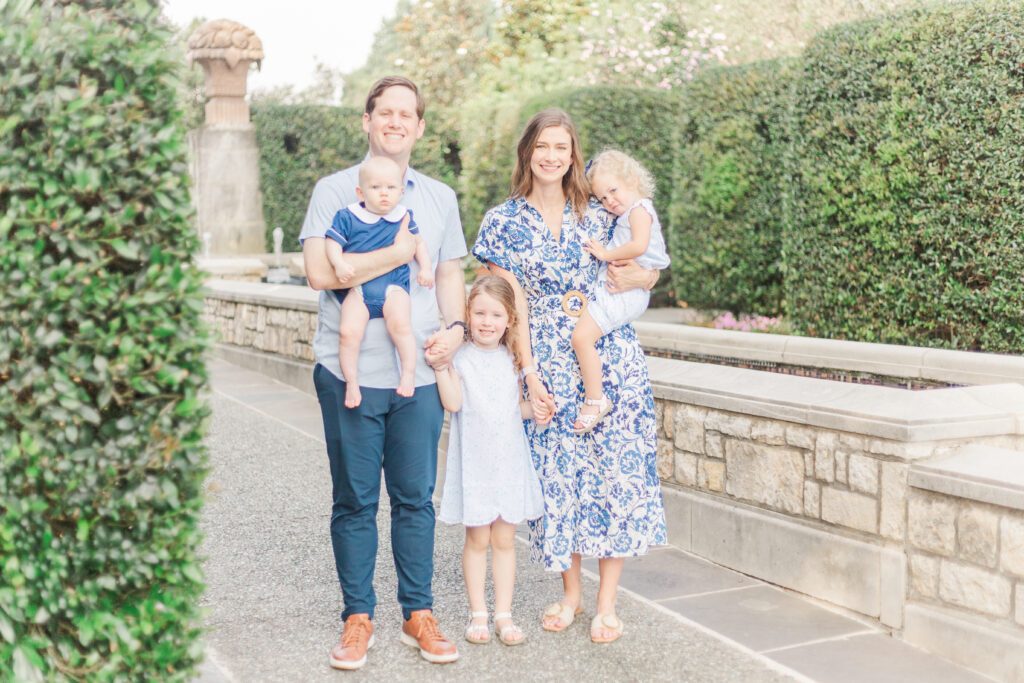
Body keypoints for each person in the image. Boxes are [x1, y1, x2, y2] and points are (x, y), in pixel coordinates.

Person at [472, 108, 668, 644]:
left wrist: (646, 272)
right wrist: (528, 372)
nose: (552, 156)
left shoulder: (603, 212)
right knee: (561, 479)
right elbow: (508, 305)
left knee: (614, 476)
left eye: (562, 147)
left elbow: (647, 263)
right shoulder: (503, 222)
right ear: (527, 151)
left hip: (611, 359)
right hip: (550, 368)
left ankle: (607, 603)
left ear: (573, 154)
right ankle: (571, 593)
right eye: (543, 146)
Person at [299, 76, 467, 670]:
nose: (396, 122)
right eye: (385, 112)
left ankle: (417, 613)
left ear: (419, 127)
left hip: (417, 375)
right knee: (354, 500)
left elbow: (448, 274)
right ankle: (358, 617)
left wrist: (455, 328)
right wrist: (397, 254)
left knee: (415, 499)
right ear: (367, 121)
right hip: (347, 373)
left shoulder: (440, 197)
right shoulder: (333, 190)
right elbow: (321, 274)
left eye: (407, 114)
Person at [435, 276, 546, 647]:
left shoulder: (513, 360)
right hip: (476, 466)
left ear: (509, 320)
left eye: (496, 314)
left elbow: (515, 410)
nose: (487, 321)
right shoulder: (462, 358)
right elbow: (454, 403)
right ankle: (478, 612)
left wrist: (537, 411)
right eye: (479, 312)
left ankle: (504, 613)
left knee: (505, 539)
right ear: (467, 314)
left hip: (509, 464)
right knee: (477, 539)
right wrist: (441, 368)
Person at [570, 150, 670, 434]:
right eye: (602, 198)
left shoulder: (639, 211)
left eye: (613, 191)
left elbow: (639, 246)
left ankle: (594, 399)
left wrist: (605, 254)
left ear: (633, 180)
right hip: (622, 289)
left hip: (625, 292)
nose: (609, 201)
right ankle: (594, 397)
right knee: (583, 337)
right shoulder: (629, 211)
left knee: (581, 337)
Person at [324, 155, 434, 408]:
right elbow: (332, 244)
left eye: (391, 187)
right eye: (376, 187)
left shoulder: (403, 216)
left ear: (401, 191)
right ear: (360, 192)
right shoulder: (347, 217)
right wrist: (339, 263)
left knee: (401, 325)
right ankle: (352, 382)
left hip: (394, 286)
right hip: (359, 288)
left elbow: (419, 244)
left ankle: (408, 374)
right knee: (348, 332)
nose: (384, 193)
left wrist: (426, 268)